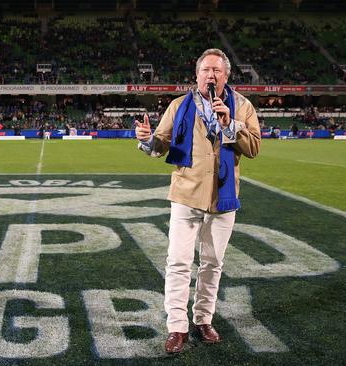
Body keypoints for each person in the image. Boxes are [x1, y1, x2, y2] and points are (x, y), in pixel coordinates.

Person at [134, 48, 261, 354]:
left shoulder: (242, 105)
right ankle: (177, 327)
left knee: (212, 264)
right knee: (178, 263)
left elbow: (254, 147)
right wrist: (145, 139)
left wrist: (231, 124)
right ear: (197, 74)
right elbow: (159, 146)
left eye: (217, 70)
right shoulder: (179, 106)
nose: (211, 75)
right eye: (206, 70)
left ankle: (203, 319)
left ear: (226, 76)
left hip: (223, 197)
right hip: (185, 195)